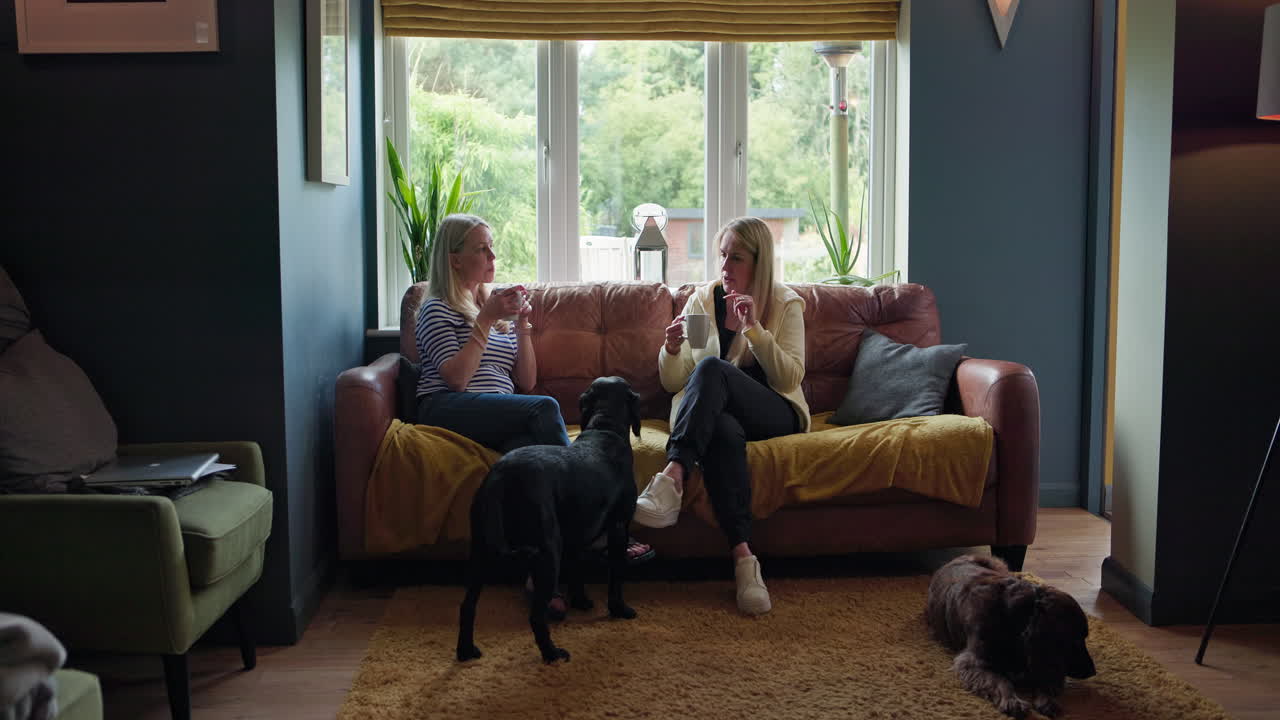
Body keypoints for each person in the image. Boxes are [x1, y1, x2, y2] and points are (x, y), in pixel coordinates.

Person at [414, 214, 654, 593]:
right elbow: (457, 380)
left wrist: (523, 326)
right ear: (454, 258)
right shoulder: (436, 309)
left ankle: (543, 578)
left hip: (494, 413)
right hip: (445, 406)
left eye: (492, 246)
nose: (492, 255)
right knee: (543, 407)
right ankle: (597, 518)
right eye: (481, 248)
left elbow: (524, 380)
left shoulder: (491, 312)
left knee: (529, 463)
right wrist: (485, 323)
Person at [633, 216, 810, 615]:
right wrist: (672, 350)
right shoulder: (702, 300)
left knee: (712, 369)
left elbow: (789, 377)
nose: (725, 267)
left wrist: (754, 330)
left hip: (772, 411)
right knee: (723, 431)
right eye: (722, 256)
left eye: (737, 258)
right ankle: (745, 561)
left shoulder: (785, 303)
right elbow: (675, 382)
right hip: (717, 419)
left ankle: (673, 474)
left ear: (759, 263)